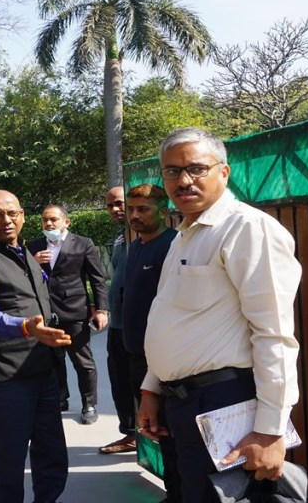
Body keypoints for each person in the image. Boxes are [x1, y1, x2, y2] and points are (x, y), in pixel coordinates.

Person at [136, 127, 302, 503]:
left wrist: (270, 430)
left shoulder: (247, 228)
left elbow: (274, 334)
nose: (184, 180)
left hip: (226, 405)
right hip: (183, 406)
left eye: (197, 168)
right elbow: (172, 316)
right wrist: (152, 387)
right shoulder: (185, 233)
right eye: (172, 171)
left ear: (223, 173)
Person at [0, 190, 72, 503]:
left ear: (21, 216)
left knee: (52, 453)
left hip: (44, 371)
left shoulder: (26, 254)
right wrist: (23, 327)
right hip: (7, 377)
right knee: (7, 460)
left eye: (12, 213)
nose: (6, 220)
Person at [121, 183, 182, 501]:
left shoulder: (173, 246)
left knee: (170, 431)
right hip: (136, 356)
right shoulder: (136, 246)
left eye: (143, 209)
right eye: (131, 209)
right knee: (151, 429)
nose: (134, 216)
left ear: (163, 209)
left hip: (162, 362)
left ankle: (178, 493)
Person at [27, 204, 109, 424]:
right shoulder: (34, 246)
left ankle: (89, 404)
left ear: (66, 222)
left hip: (75, 312)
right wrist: (33, 264)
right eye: (45, 220)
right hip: (45, 312)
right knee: (53, 360)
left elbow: (97, 279)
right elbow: (24, 277)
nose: (49, 224)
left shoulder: (83, 244)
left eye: (54, 219)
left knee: (82, 362)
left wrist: (101, 309)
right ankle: (60, 399)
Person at [98, 185, 136, 455]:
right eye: (110, 205)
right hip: (118, 325)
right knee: (120, 382)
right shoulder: (121, 238)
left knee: (139, 383)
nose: (115, 209)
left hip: (139, 329)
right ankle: (131, 434)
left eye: (119, 203)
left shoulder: (145, 237)